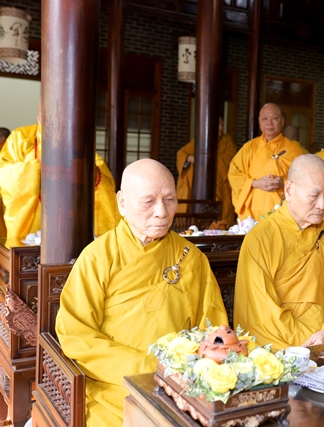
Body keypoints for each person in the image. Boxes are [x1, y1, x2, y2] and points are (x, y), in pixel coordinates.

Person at [56, 159, 228, 426]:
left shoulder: (192, 258)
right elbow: (77, 335)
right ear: (122, 203)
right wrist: (148, 368)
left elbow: (214, 330)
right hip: (115, 385)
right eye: (148, 201)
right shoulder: (97, 258)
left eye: (169, 200)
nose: (161, 212)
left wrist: (197, 371)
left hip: (181, 384)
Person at [233, 154, 324, 350]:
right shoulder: (261, 239)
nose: (322, 205)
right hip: (282, 352)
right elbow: (262, 317)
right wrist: (310, 344)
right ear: (289, 190)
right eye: (314, 195)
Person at [0, 109, 119, 238]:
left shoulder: (75, 139)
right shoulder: (20, 137)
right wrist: (36, 167)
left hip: (70, 217)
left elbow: (102, 177)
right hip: (30, 228)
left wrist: (87, 173)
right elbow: (4, 173)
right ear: (38, 114)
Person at [228, 103, 304, 221]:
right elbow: (234, 174)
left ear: (282, 121)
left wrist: (283, 183)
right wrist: (254, 183)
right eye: (265, 119)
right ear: (259, 121)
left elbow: (305, 181)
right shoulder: (249, 148)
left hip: (284, 215)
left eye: (274, 118)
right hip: (251, 215)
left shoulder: (295, 150)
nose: (269, 123)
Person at [175, 117, 237, 227]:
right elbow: (181, 154)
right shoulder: (201, 140)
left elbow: (231, 160)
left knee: (223, 214)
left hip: (222, 185)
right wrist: (194, 159)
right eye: (217, 125)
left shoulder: (227, 141)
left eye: (222, 125)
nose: (221, 128)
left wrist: (207, 161)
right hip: (201, 186)